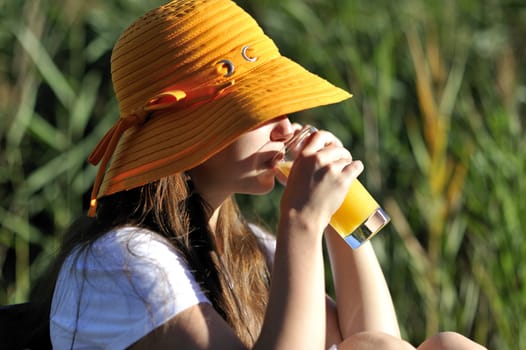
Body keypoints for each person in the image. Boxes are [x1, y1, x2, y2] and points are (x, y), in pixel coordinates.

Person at [47, 0, 486, 349]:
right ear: (189, 135)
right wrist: (302, 220)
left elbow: (373, 339)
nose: (285, 124)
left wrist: (339, 215)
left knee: (446, 345)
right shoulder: (122, 261)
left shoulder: (251, 248)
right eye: (257, 108)